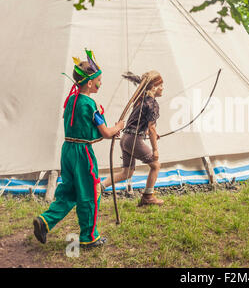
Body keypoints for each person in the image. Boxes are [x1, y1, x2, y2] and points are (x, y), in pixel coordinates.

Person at [33, 49, 125, 248]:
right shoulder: (90, 104)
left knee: (70, 191)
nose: (101, 83)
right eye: (99, 80)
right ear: (90, 83)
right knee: (90, 193)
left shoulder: (72, 100)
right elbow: (106, 133)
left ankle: (45, 221)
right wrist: (119, 127)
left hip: (67, 151)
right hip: (83, 155)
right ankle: (89, 237)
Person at [100, 71, 164, 207]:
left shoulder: (141, 100)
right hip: (134, 140)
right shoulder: (151, 103)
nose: (163, 88)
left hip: (126, 139)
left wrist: (147, 131)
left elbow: (141, 123)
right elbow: (151, 128)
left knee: (127, 172)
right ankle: (148, 196)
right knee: (156, 165)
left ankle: (99, 187)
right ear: (153, 87)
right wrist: (155, 149)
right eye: (161, 85)